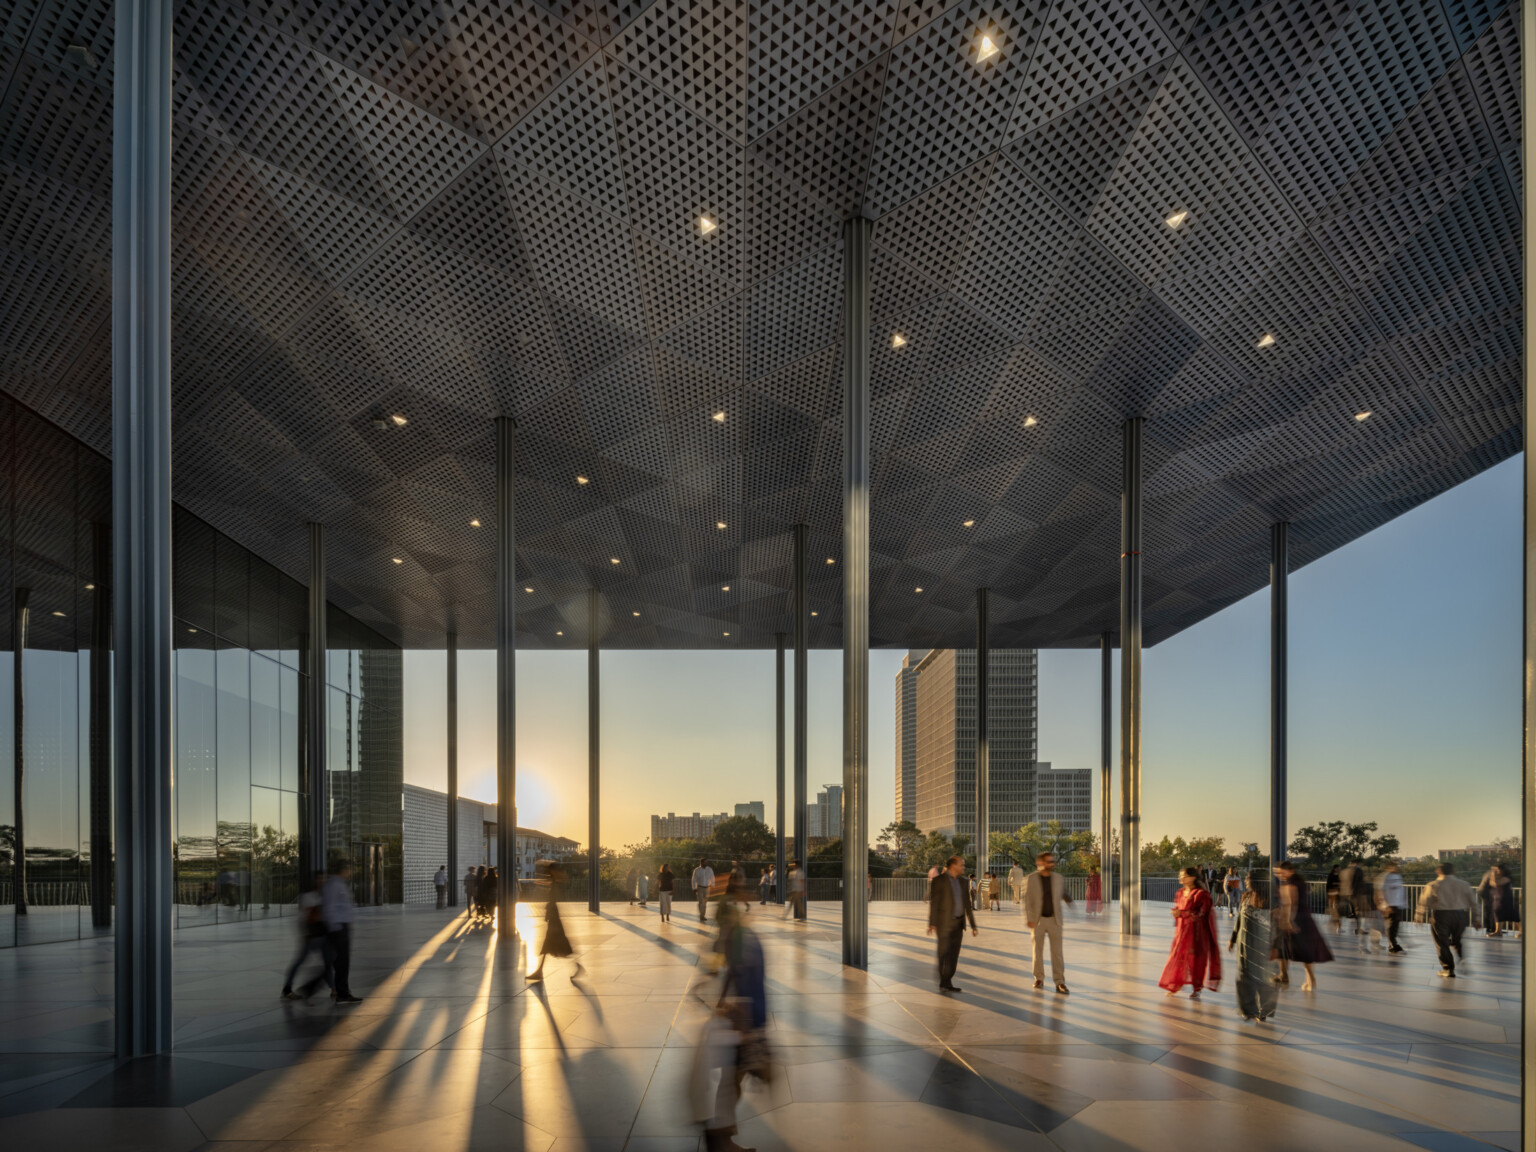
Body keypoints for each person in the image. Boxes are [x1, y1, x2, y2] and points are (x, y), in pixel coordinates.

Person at [304, 861, 361, 1004]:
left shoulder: (339, 884)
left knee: (336, 962)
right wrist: (335, 927)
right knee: (341, 963)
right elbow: (329, 907)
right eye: (350, 869)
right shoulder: (334, 885)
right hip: (338, 928)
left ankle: (311, 989)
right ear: (344, 869)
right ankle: (342, 994)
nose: (351, 872)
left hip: (340, 927)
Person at [1160, 866, 1221, 998]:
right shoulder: (1180, 892)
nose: (1180, 878)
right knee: (1178, 957)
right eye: (1180, 875)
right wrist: (1177, 913)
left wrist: (1182, 913)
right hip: (1182, 931)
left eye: (1183, 876)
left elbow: (1201, 913)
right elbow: (1178, 907)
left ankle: (1197, 988)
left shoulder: (1201, 894)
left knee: (1196, 961)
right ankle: (1175, 984)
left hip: (1197, 933)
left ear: (1192, 878)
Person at [1272, 859, 1331, 990]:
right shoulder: (1299, 882)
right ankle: (1309, 979)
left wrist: (1288, 921)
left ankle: (1292, 977)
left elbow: (1290, 904)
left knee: (1286, 950)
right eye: (1276, 873)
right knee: (1304, 952)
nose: (1279, 875)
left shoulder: (1289, 885)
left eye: (1281, 872)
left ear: (1290, 871)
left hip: (1295, 922)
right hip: (1305, 920)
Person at [1228, 873, 1276, 1022]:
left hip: (1263, 946)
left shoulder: (1270, 901)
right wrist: (1233, 939)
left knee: (1264, 979)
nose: (1246, 881)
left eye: (1248, 879)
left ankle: (1265, 1010)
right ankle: (1249, 1011)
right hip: (1245, 945)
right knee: (1243, 978)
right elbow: (1239, 920)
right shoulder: (1246, 897)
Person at [927, 855, 977, 993]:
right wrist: (932, 923)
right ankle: (944, 982)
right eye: (961, 865)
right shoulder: (938, 881)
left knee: (954, 956)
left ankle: (947, 981)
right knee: (943, 954)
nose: (963, 867)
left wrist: (973, 925)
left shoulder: (963, 882)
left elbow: (967, 905)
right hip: (944, 924)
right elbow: (934, 903)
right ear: (953, 865)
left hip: (958, 924)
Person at [1023, 851, 1071, 994]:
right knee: (1037, 951)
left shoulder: (1058, 878)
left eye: (1052, 861)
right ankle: (1039, 978)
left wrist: (1069, 900)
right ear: (1040, 863)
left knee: (1057, 953)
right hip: (1037, 921)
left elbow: (1063, 893)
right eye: (1049, 861)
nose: (1052, 864)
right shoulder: (1031, 879)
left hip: (1055, 921)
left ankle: (1060, 982)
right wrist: (1028, 919)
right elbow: (1027, 900)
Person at [1419, 861, 1477, 978]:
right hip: (1460, 915)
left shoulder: (1433, 885)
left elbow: (1425, 902)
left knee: (1442, 942)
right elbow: (1473, 902)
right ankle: (1461, 958)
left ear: (1438, 871)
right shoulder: (1464, 884)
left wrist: (1420, 915)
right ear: (1453, 871)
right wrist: (1477, 918)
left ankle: (1448, 968)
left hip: (1441, 915)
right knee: (1457, 939)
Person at [527, 862, 582, 983]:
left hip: (554, 919)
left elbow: (555, 898)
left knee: (557, 946)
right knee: (553, 946)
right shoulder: (555, 882)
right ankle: (539, 971)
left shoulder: (558, 884)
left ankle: (540, 971)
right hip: (553, 918)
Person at [281, 871, 330, 1000]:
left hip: (322, 934)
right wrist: (304, 933)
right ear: (315, 880)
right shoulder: (308, 897)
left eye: (324, 878)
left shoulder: (324, 896)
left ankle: (334, 988)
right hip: (312, 936)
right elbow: (302, 917)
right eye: (320, 878)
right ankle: (287, 989)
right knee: (300, 961)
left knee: (328, 961)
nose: (322, 881)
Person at [1377, 859, 1408, 954]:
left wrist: (1403, 903)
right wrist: (1386, 905)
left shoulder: (1398, 876)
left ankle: (1393, 944)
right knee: (1391, 925)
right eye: (1396, 866)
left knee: (1395, 925)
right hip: (1390, 905)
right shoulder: (1385, 877)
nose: (1398, 867)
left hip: (1398, 904)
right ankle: (1392, 945)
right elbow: (1381, 891)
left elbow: (1400, 889)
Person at [1339, 859, 1366, 934]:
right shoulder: (1358, 871)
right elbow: (1360, 882)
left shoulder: (1344, 871)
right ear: (1356, 863)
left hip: (1344, 894)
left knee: (1342, 912)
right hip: (1354, 894)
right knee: (1358, 912)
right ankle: (1357, 929)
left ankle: (1339, 927)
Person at [692, 858, 715, 923]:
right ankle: (701, 915)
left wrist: (713, 885)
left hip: (707, 888)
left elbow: (712, 877)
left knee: (705, 902)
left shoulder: (709, 869)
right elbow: (694, 879)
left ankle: (703, 915)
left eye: (707, 862)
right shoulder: (697, 870)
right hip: (700, 887)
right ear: (701, 863)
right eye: (705, 862)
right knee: (700, 902)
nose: (706, 863)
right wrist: (694, 888)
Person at [1325, 864, 1341, 932]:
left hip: (1337, 892)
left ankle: (1335, 917)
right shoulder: (1331, 875)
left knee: (1335, 905)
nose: (1339, 869)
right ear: (1335, 868)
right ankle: (1334, 917)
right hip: (1332, 892)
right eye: (1338, 868)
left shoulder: (1339, 875)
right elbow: (1329, 884)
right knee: (1332, 905)